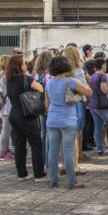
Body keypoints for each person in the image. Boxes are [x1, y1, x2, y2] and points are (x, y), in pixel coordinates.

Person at [45, 56, 92, 189]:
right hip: (68, 120)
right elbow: (89, 92)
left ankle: (53, 180)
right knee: (68, 151)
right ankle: (72, 181)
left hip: (52, 120)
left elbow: (47, 105)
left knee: (52, 151)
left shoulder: (49, 83)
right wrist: (77, 95)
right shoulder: (71, 81)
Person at [5, 55, 47, 181]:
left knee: (19, 145)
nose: (26, 65)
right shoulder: (26, 79)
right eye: (23, 63)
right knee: (36, 144)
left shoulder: (8, 80)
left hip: (13, 113)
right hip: (26, 114)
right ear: (19, 66)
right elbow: (41, 88)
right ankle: (39, 174)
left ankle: (22, 173)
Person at [62, 46, 88, 174]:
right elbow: (85, 89)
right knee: (76, 133)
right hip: (76, 103)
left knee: (64, 136)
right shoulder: (78, 72)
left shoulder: (60, 73)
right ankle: (75, 164)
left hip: (62, 105)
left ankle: (64, 165)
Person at [89, 58, 108, 155]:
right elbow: (104, 90)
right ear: (103, 65)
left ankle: (99, 149)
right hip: (103, 106)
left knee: (98, 127)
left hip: (93, 105)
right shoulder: (103, 76)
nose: (106, 66)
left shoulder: (93, 76)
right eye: (105, 64)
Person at [33, 51, 53, 168]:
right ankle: (48, 162)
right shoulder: (50, 74)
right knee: (49, 133)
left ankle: (43, 160)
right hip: (48, 104)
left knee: (43, 133)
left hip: (38, 104)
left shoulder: (36, 73)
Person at [0, 55, 14, 160]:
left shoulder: (1, 74)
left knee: (7, 129)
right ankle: (3, 152)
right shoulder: (6, 76)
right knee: (6, 130)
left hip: (6, 106)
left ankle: (6, 149)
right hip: (7, 106)